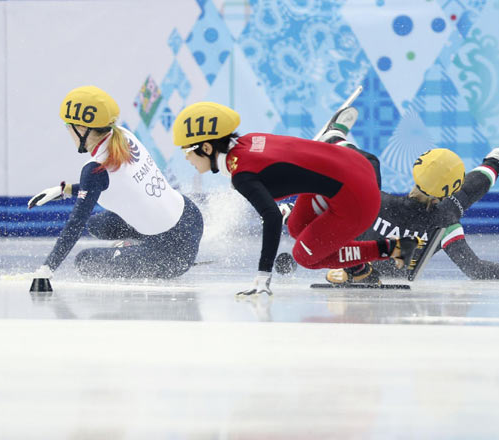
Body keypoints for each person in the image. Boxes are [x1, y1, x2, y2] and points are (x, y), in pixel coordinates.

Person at [171, 102, 436, 296]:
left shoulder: (241, 173)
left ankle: (392, 248)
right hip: (355, 165)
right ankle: (336, 136)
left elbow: (271, 217)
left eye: (188, 151)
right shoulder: (250, 141)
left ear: (207, 147)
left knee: (304, 257)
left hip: (357, 198)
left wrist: (263, 277)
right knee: (297, 228)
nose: (186, 158)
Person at [287, 107, 499, 284]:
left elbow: (326, 216)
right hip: (394, 264)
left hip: (354, 260)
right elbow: (475, 269)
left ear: (416, 169)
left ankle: (335, 137)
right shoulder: (447, 220)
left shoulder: (377, 202)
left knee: (361, 174)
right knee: (459, 201)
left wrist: (289, 214)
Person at [27, 86, 204, 282]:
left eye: (67, 125)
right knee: (97, 224)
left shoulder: (95, 168)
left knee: (84, 261)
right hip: (190, 216)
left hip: (171, 255)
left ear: (82, 128)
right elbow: (118, 186)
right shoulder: (122, 135)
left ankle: (144, 253)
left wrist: (47, 269)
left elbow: (75, 224)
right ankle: (137, 249)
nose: (68, 131)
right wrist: (65, 190)